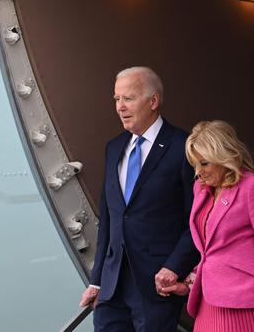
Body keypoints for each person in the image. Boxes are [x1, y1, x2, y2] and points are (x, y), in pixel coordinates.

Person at [79, 67, 200, 331]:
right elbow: (110, 219)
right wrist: (97, 280)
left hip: (156, 284)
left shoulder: (184, 147)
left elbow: (198, 220)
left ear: (153, 101)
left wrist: (174, 266)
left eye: (128, 99)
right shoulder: (114, 147)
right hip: (112, 287)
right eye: (116, 99)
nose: (120, 107)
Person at [161, 120, 254, 331]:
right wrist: (187, 285)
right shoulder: (201, 189)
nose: (198, 172)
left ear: (223, 157)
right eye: (195, 164)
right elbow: (211, 249)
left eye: (204, 163)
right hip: (207, 306)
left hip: (243, 305)